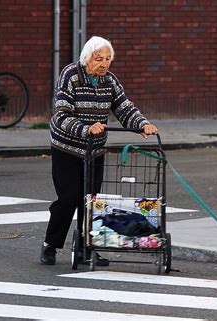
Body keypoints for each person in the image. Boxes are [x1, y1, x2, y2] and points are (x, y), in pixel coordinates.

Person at [40, 36, 158, 266]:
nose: (104, 64)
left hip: (94, 149)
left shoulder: (109, 80)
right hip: (67, 146)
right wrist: (85, 128)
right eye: (99, 59)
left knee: (91, 201)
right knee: (69, 198)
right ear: (87, 58)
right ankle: (50, 245)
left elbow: (124, 107)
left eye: (108, 59)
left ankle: (87, 248)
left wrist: (142, 124)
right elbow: (61, 113)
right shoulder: (71, 75)